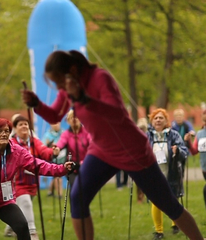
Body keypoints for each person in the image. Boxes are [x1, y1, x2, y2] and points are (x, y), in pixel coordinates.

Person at [21, 50, 204, 240]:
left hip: (131, 149)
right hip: (102, 150)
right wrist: (36, 104)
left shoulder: (100, 78)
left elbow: (116, 113)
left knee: (167, 203)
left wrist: (83, 98)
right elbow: (54, 115)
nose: (59, 87)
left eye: (59, 81)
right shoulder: (68, 88)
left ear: (73, 70)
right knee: (78, 197)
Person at [3, 115, 60, 240]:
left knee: (22, 206)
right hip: (16, 181)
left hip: (32, 181)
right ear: (15, 128)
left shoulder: (34, 141)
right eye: (20, 124)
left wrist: (53, 152)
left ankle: (11, 226)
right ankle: (32, 233)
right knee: (26, 204)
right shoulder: (11, 142)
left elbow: (44, 151)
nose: (24, 126)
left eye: (26, 124)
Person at [147, 108, 188, 239]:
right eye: (155, 118)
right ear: (152, 121)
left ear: (166, 121)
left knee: (173, 199)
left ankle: (175, 224)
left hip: (171, 173)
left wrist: (177, 151)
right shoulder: (148, 136)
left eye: (161, 118)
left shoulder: (174, 135)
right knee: (155, 201)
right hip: (154, 174)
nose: (158, 120)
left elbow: (184, 152)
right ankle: (159, 231)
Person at [56, 109, 91, 190]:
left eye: (77, 117)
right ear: (68, 121)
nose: (74, 119)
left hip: (86, 165)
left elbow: (92, 144)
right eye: (71, 117)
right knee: (75, 189)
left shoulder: (87, 132)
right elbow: (60, 143)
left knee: (86, 190)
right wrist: (56, 149)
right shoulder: (66, 134)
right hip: (72, 167)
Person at [184, 109, 206, 211]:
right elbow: (194, 151)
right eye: (204, 114)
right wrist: (188, 141)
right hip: (204, 168)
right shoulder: (200, 133)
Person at [41, 122, 64, 198]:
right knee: (58, 175)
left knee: (56, 176)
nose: (56, 125)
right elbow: (44, 147)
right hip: (53, 158)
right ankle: (59, 194)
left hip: (62, 158)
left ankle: (50, 191)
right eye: (54, 123)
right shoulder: (47, 135)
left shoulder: (63, 133)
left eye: (58, 123)